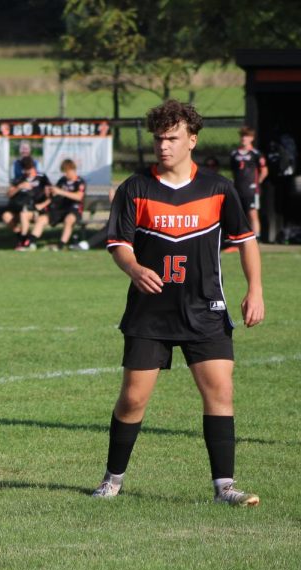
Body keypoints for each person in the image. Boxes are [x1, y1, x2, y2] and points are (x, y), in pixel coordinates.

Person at [93, 99, 264, 506]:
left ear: (192, 139)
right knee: (133, 398)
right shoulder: (136, 188)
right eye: (158, 138)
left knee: (220, 392)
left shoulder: (218, 189)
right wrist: (134, 269)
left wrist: (255, 289)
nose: (164, 145)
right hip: (150, 311)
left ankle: (225, 487)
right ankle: (112, 479)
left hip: (206, 308)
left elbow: (246, 241)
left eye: (172, 138)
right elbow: (118, 244)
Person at [2, 155, 51, 250]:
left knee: (24, 214)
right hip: (18, 208)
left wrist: (42, 205)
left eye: (30, 169)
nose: (28, 172)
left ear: (34, 167)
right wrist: (19, 187)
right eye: (26, 169)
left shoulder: (42, 178)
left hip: (34, 210)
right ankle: (22, 238)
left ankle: (23, 243)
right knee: (6, 216)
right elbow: (8, 194)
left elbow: (51, 196)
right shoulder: (20, 179)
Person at [230, 126, 268, 237]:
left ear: (252, 138)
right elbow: (233, 171)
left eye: (246, 136)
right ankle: (239, 237)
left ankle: (257, 237)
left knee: (253, 213)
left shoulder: (256, 154)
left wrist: (257, 182)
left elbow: (264, 170)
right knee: (238, 214)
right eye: (242, 136)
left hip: (251, 190)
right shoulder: (234, 154)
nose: (244, 138)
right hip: (238, 189)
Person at [41, 158, 87, 250]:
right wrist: (50, 191)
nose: (65, 174)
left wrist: (61, 192)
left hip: (75, 209)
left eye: (67, 172)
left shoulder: (80, 182)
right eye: (64, 172)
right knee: (42, 219)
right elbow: (56, 192)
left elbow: (79, 197)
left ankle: (60, 245)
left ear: (72, 170)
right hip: (61, 209)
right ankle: (29, 243)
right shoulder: (62, 180)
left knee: (69, 219)